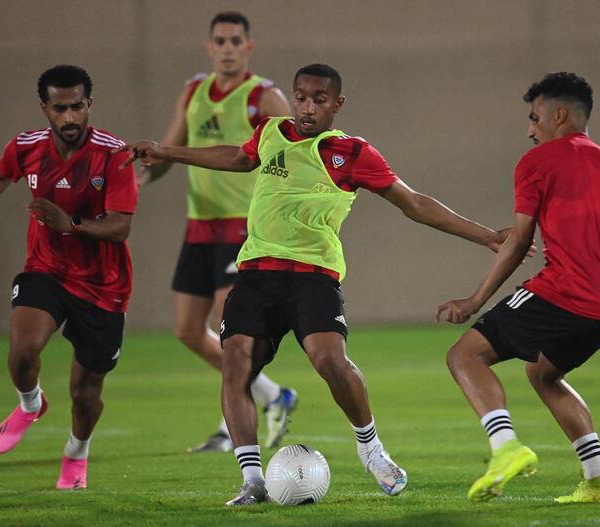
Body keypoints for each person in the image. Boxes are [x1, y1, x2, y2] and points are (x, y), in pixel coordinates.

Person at [117, 63, 512, 506]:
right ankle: (252, 480)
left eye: (319, 100)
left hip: (313, 277)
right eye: (301, 97)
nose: (307, 107)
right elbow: (237, 157)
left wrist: (486, 236)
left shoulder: (352, 152)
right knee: (236, 366)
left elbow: (415, 204)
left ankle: (371, 449)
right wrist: (168, 152)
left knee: (330, 360)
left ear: (337, 104)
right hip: (256, 274)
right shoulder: (269, 133)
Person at [437, 72, 600, 504]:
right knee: (544, 372)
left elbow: (517, 241)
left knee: (465, 354)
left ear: (560, 115)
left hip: (566, 293)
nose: (529, 129)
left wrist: (475, 300)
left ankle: (505, 449)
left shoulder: (537, 162)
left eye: (534, 118)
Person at [0, 65, 138, 490]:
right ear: (44, 108)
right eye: (59, 108)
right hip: (46, 270)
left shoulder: (114, 154)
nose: (69, 118)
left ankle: (76, 452)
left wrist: (70, 223)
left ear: (89, 105)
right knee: (22, 352)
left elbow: (121, 226)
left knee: (85, 394)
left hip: (104, 285)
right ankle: (30, 405)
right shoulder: (27, 146)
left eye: (77, 107)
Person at [138, 11, 297, 453]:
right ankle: (272, 395)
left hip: (244, 227)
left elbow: (294, 159)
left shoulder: (264, 99)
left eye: (235, 41)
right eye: (220, 41)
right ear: (209, 47)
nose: (227, 48)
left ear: (249, 47)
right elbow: (170, 150)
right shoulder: (194, 91)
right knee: (188, 331)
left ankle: (231, 430)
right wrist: (141, 179)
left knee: (229, 327)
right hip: (200, 226)